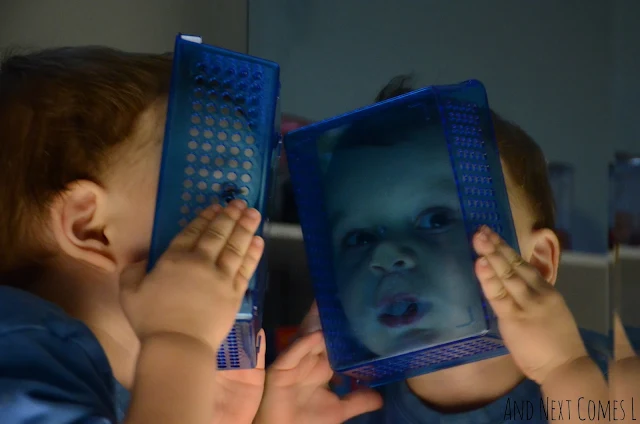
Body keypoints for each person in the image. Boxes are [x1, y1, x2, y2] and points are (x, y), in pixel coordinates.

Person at [255, 76, 610, 424]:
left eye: (435, 219)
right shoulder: (334, 411)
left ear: (537, 261)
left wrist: (566, 373)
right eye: (358, 238)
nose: (382, 256)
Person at [0, 47, 267, 423]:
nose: (249, 224)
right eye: (226, 195)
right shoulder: (23, 349)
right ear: (88, 227)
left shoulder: (123, 396)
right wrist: (180, 340)